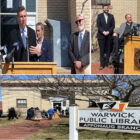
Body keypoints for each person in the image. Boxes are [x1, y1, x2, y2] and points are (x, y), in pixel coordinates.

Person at [97, 5, 115, 70]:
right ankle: (102, 64)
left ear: (108, 9)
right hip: (101, 36)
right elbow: (98, 26)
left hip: (109, 36)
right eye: (105, 8)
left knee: (108, 50)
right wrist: (103, 32)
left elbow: (113, 26)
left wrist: (108, 32)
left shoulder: (111, 16)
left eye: (107, 8)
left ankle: (108, 63)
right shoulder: (99, 16)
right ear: (103, 9)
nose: (106, 9)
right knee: (102, 50)